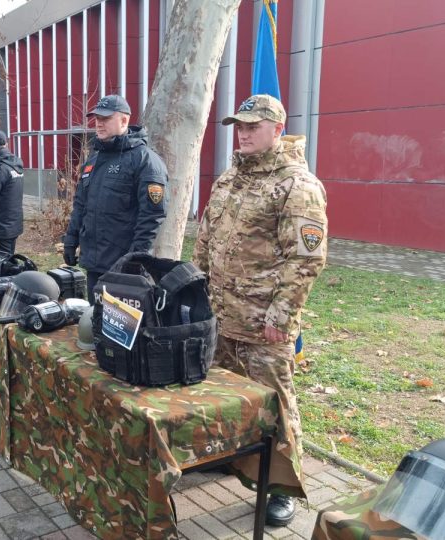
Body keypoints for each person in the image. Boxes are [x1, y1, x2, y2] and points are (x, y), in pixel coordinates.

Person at [192, 94, 328, 527]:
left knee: (275, 405)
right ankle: (230, 457)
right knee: (222, 396)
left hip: (262, 325)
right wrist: (195, 291)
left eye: (253, 125)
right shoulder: (233, 176)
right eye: (240, 125)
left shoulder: (297, 185)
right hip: (220, 315)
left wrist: (280, 317)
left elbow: (305, 259)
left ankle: (281, 488)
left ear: (277, 129)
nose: (244, 132)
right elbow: (206, 237)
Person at [63, 94, 168, 298]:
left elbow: (152, 217)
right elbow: (80, 205)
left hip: (123, 267)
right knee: (96, 320)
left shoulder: (145, 161)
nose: (99, 124)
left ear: (124, 120)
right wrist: (70, 240)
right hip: (94, 262)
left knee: (119, 326)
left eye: (105, 119)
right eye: (97, 119)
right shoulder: (93, 161)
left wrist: (135, 259)